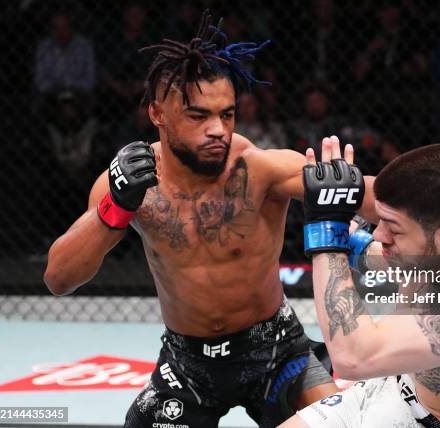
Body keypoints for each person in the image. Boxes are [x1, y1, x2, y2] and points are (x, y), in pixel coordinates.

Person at [43, 12, 376, 427]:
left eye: (228, 114)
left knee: (343, 424)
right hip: (188, 363)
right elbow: (59, 278)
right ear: (158, 114)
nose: (218, 129)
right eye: (199, 116)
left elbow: (380, 199)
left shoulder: (260, 168)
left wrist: (351, 188)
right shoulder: (134, 183)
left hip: (276, 351)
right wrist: (117, 205)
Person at [281, 139, 440, 427]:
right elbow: (388, 227)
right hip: (393, 387)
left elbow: (352, 357)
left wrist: (326, 232)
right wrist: (337, 196)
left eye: (393, 228)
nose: (378, 234)